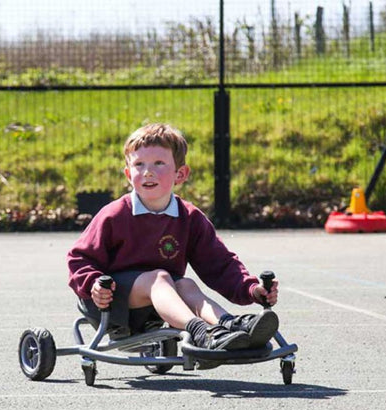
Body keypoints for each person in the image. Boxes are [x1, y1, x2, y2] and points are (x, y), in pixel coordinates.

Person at [67, 123, 279, 359]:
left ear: (181, 174)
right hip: (110, 306)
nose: (148, 172)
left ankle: (230, 326)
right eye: (139, 164)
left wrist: (251, 288)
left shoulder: (189, 218)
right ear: (128, 174)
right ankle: (201, 332)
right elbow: (80, 258)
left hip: (159, 309)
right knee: (160, 277)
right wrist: (93, 283)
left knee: (185, 284)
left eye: (159, 163)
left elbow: (219, 263)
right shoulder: (115, 214)